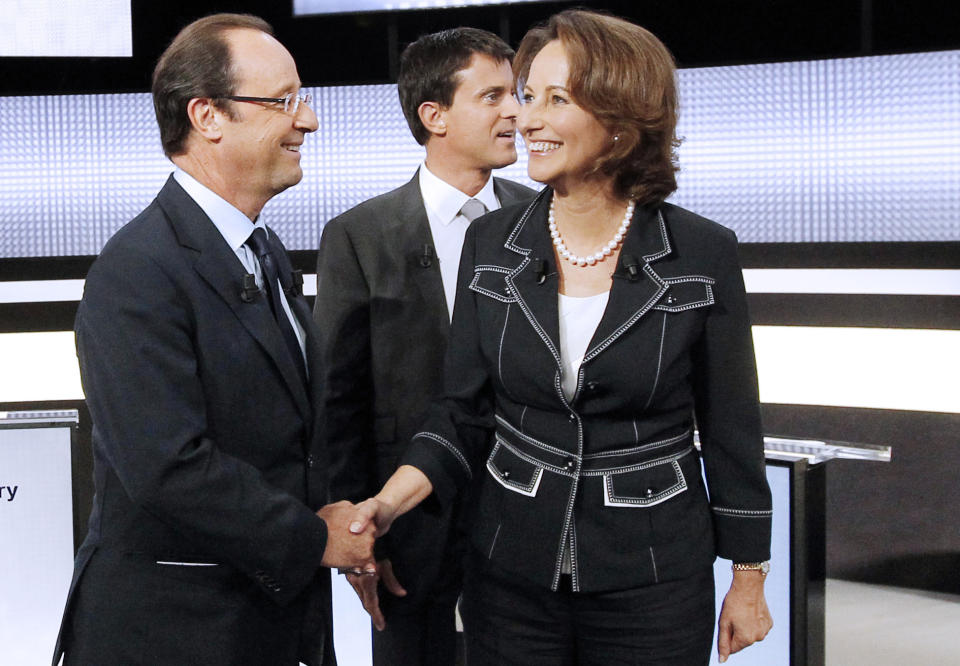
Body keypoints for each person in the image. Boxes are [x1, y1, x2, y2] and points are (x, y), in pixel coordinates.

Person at [351, 9, 773, 665]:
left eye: (557, 99)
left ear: (622, 120)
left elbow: (731, 430)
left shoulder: (702, 253)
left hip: (653, 578)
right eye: (527, 96)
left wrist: (748, 577)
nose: (526, 119)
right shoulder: (492, 244)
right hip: (511, 574)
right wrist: (387, 501)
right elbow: (460, 410)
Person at [52, 14, 374, 666]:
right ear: (207, 116)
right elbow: (166, 466)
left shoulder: (267, 253)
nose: (307, 120)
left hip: (267, 624)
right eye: (284, 101)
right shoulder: (136, 271)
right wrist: (314, 538)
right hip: (174, 634)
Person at [313, 27, 534, 666]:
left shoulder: (540, 216)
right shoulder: (359, 235)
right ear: (433, 115)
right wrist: (361, 539)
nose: (515, 113)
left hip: (525, 519)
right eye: (492, 96)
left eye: (514, 94)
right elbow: (341, 401)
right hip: (409, 528)